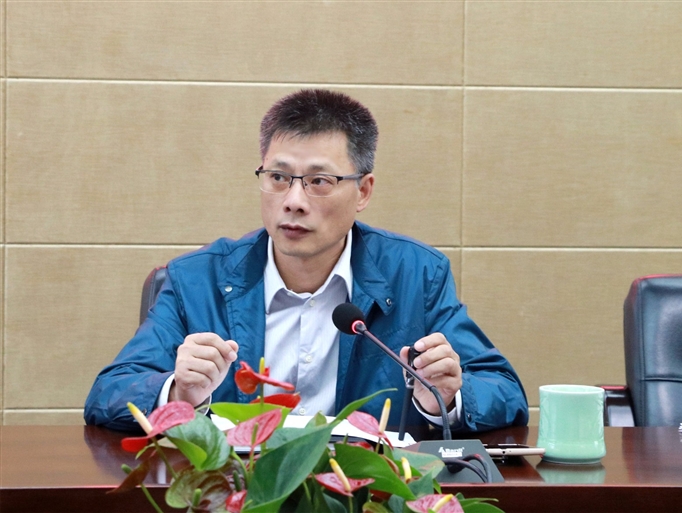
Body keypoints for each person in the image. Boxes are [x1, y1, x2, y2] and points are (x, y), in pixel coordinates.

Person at [84, 89, 529, 433]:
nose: (293, 201)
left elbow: (504, 392)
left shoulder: (416, 275)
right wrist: (179, 392)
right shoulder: (196, 279)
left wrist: (445, 398)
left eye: (319, 181)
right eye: (278, 177)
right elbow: (109, 393)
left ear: (363, 191)